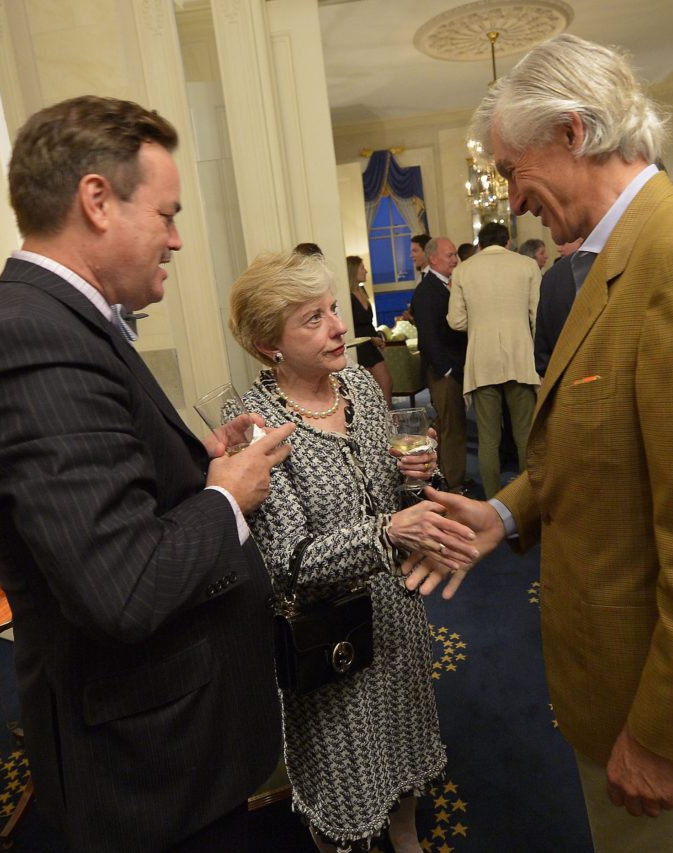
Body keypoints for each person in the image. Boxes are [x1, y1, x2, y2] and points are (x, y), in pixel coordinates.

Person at [406, 34, 673, 852]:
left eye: (512, 170)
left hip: (658, 701)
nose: (511, 201)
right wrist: (503, 517)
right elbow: (601, 443)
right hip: (612, 671)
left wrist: (664, 732)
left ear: (573, 133)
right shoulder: (613, 259)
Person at [0, 95, 296, 852]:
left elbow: (99, 496)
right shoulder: (31, 341)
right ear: (97, 201)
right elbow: (122, 587)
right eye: (165, 214)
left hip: (176, 741)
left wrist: (195, 460)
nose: (176, 239)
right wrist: (227, 495)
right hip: (150, 770)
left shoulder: (62, 321)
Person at [227, 250, 472, 853]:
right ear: (268, 346)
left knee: (405, 737)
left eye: (333, 309)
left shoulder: (360, 386)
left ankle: (406, 833)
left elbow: (395, 491)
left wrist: (418, 475)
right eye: (312, 319)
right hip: (328, 634)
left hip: (396, 611)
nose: (339, 326)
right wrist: (387, 532)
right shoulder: (253, 423)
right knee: (347, 770)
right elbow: (287, 560)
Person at [447, 220, 541, 496]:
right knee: (524, 434)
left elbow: (455, 320)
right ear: (508, 241)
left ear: (481, 243)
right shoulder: (527, 266)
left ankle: (492, 501)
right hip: (520, 356)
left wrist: (479, 323)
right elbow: (538, 317)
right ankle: (526, 500)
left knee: (488, 438)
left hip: (482, 359)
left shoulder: (463, 269)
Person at [410, 237, 468, 491]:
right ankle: (453, 485)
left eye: (455, 254)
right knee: (451, 429)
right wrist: (446, 370)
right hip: (444, 372)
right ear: (433, 259)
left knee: (453, 426)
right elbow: (428, 337)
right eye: (450, 255)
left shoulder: (447, 285)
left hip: (454, 367)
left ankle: (453, 477)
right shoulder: (426, 290)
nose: (455, 259)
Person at [532, 237, 584, 376]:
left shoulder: (553, 276)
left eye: (565, 242)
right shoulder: (554, 277)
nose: (559, 248)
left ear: (580, 240)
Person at [346, 255, 393, 408]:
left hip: (371, 343)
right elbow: (352, 327)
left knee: (386, 383)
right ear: (353, 271)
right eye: (362, 268)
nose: (366, 271)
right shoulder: (347, 297)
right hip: (359, 346)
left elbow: (367, 323)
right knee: (366, 391)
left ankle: (388, 419)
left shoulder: (363, 291)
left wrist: (377, 337)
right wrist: (371, 339)